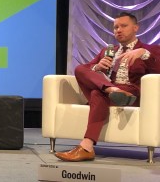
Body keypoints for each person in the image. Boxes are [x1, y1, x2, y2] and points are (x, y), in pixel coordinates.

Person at [55, 12, 160, 162]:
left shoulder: (148, 49)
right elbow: (85, 72)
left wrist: (144, 54)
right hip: (111, 91)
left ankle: (86, 147)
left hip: (131, 94)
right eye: (115, 27)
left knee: (97, 94)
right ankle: (110, 90)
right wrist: (98, 67)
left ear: (135, 28)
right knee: (81, 70)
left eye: (123, 26)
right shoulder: (107, 51)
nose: (118, 30)